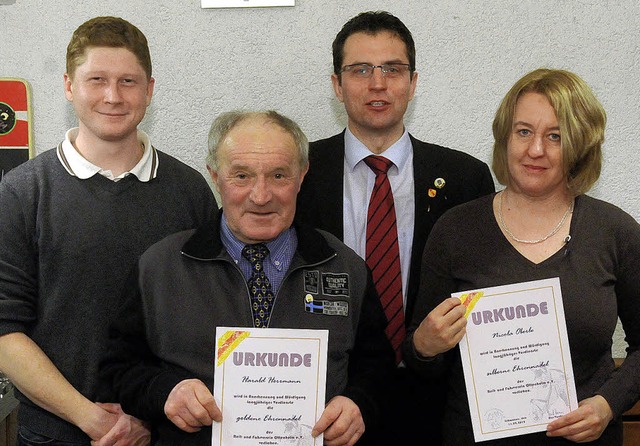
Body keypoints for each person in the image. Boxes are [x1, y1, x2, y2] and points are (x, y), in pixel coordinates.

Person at [100, 110, 395, 446]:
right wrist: (165, 392)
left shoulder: (344, 267)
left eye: (279, 176)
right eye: (241, 176)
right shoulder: (159, 267)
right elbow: (118, 369)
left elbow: (377, 366)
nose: (261, 196)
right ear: (215, 176)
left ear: (302, 175)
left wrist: (358, 402)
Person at [0, 16, 217, 446]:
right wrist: (96, 422)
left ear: (150, 89)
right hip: (53, 434)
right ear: (68, 86)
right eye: (96, 79)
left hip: (167, 431)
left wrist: (153, 407)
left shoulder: (191, 192)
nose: (113, 96)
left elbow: (210, 316)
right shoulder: (22, 192)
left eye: (128, 82)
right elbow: (6, 333)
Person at [404, 68, 640, 445]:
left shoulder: (615, 232)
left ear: (579, 145)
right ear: (505, 137)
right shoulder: (456, 230)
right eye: (524, 132)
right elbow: (420, 357)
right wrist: (423, 347)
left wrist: (608, 404)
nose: (535, 150)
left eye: (555, 136)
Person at [295, 10, 495, 444]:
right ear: (337, 84)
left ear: (413, 81)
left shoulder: (465, 178)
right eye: (361, 69)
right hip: (325, 403)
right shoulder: (297, 173)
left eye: (392, 69)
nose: (378, 83)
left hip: (434, 402)